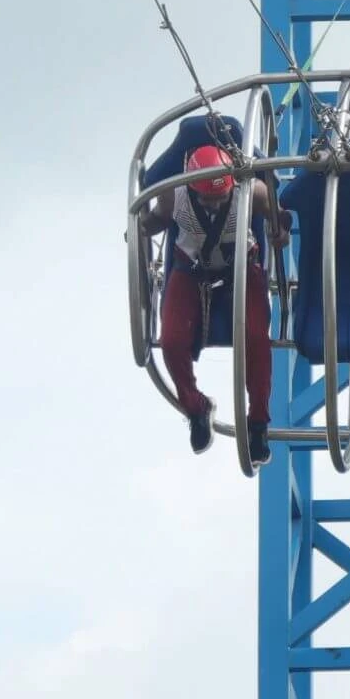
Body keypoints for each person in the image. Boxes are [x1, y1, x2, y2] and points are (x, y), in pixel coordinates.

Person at [144, 143, 289, 464]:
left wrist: (281, 229)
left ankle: (258, 422)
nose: (214, 203)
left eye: (220, 196)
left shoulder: (252, 192)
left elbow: (277, 218)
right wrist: (140, 224)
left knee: (255, 337)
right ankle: (196, 407)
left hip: (240, 267)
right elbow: (155, 219)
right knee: (171, 341)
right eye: (207, 198)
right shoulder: (174, 195)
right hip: (191, 270)